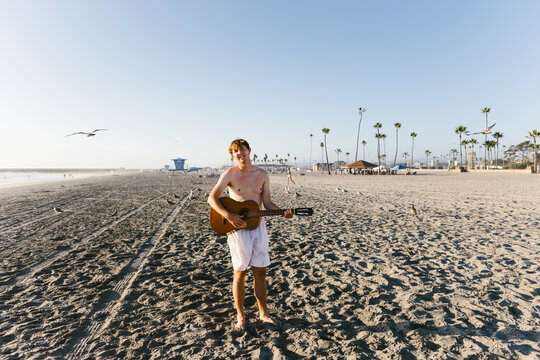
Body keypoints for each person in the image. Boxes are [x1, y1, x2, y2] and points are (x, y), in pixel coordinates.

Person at [208, 138, 293, 332]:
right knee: (240, 274)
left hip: (259, 229)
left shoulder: (262, 175)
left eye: (242, 150)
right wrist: (228, 215)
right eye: (235, 152)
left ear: (249, 150)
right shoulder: (230, 174)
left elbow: (268, 203)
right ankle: (241, 316)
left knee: (261, 273)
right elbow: (212, 199)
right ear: (232, 155)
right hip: (238, 232)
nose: (239, 154)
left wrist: (283, 213)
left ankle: (264, 314)